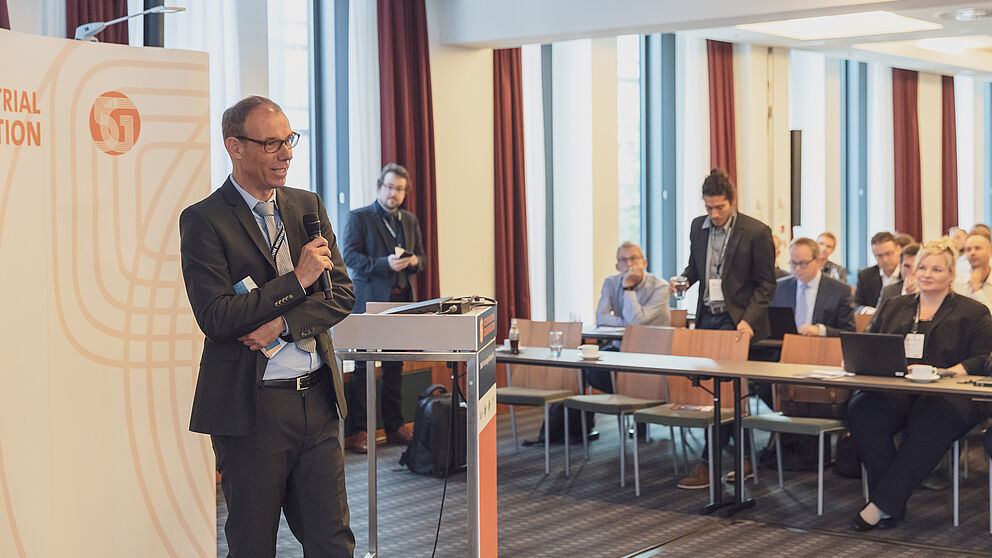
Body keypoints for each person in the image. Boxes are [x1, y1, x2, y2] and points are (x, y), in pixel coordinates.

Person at [179, 96, 356, 555]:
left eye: (290, 140)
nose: (287, 153)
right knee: (254, 543)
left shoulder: (305, 206)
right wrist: (297, 280)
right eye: (272, 143)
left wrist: (280, 323)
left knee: (333, 542)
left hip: (317, 399)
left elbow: (341, 294)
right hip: (253, 409)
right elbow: (216, 316)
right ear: (234, 147)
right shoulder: (204, 220)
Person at [847, 239, 992, 531]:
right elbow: (872, 342)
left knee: (929, 422)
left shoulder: (974, 312)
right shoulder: (893, 306)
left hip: (950, 396)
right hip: (899, 390)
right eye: (921, 267)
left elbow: (982, 357)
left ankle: (880, 505)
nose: (926, 274)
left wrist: (948, 372)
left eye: (936, 269)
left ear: (951, 275)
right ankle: (890, 501)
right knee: (862, 410)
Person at [671, 168, 776, 489]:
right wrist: (685, 281)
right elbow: (695, 266)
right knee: (719, 393)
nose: (714, 215)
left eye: (720, 208)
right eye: (709, 208)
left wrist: (748, 321)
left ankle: (708, 463)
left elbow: (766, 285)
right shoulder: (697, 228)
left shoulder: (756, 232)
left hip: (739, 322)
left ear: (732, 202)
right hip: (708, 318)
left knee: (728, 393)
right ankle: (743, 458)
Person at [342, 163, 426, 454]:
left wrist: (415, 262)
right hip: (369, 302)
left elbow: (423, 259)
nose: (394, 193)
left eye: (400, 189)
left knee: (395, 366)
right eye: (390, 187)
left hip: (401, 300)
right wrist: (383, 264)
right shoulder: (360, 217)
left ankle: (393, 426)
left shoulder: (409, 220)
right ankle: (359, 431)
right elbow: (349, 257)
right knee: (363, 367)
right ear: (379, 188)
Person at [585, 241, 671, 394]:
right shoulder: (611, 282)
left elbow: (636, 323)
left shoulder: (661, 287)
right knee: (591, 368)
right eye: (623, 260)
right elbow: (601, 317)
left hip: (651, 351)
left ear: (644, 262)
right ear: (617, 266)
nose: (629, 264)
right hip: (622, 349)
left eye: (633, 258)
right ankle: (625, 397)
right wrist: (626, 323)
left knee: (620, 373)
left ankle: (634, 398)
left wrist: (628, 287)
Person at [771, 238, 855, 337]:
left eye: (803, 263)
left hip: (822, 348)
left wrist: (821, 331)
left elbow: (849, 333)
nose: (797, 268)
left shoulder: (839, 291)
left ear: (818, 261)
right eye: (794, 263)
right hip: (786, 347)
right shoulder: (779, 288)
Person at [853, 232, 901, 314]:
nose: (885, 260)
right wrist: (867, 310)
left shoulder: (909, 274)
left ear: (899, 250)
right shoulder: (865, 276)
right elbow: (854, 305)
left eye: (888, 254)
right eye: (879, 256)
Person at [953, 233, 992, 312]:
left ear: (990, 251)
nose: (972, 253)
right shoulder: (958, 281)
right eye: (968, 249)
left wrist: (976, 290)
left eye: (977, 248)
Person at [876, 243, 920, 308]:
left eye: (917, 266)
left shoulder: (932, 292)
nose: (913, 271)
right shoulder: (888, 291)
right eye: (907, 266)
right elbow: (877, 317)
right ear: (900, 267)